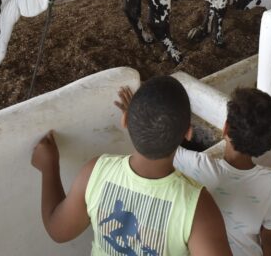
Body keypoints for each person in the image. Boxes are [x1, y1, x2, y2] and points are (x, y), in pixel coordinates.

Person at [31, 76, 232, 255]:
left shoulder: (95, 172)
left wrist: (49, 166)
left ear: (125, 120)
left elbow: (58, 230)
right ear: (188, 133)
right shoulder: (197, 207)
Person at [172, 87, 271, 256]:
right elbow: (269, 234)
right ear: (267, 144)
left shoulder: (196, 166)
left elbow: (158, 144)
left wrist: (132, 113)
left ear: (225, 129)